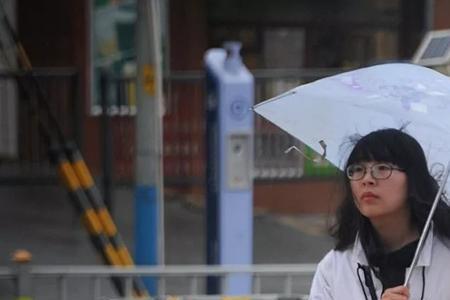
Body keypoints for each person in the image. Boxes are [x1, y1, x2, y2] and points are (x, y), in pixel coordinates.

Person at [309, 128, 450, 300]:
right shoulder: (335, 267)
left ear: (413, 179)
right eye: (358, 169)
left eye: (382, 168)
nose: (367, 179)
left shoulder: (445, 258)